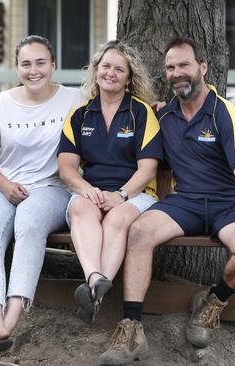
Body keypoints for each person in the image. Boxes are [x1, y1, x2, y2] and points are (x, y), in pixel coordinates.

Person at [99, 38, 235, 365]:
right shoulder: (163, 117)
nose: (177, 73)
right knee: (138, 232)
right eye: (171, 67)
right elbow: (157, 166)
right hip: (187, 202)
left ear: (202, 67)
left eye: (184, 65)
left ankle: (212, 301)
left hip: (229, 204)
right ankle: (132, 330)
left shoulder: (223, 111)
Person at [0, 35, 84, 355]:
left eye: (41, 63)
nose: (34, 71)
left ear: (53, 65)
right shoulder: (0, 103)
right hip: (2, 187)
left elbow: (116, 104)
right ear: (17, 68)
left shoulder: (75, 99)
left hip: (50, 189)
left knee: (29, 226)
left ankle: (11, 318)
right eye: (26, 64)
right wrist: (4, 185)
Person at [58, 40, 162, 322]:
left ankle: (93, 295)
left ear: (129, 77)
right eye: (106, 66)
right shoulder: (80, 115)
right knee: (81, 209)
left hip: (136, 193)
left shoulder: (141, 113)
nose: (111, 73)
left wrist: (122, 195)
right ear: (96, 70)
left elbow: (148, 168)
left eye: (119, 69)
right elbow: (67, 169)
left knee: (117, 219)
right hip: (92, 189)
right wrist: (86, 190)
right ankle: (95, 277)